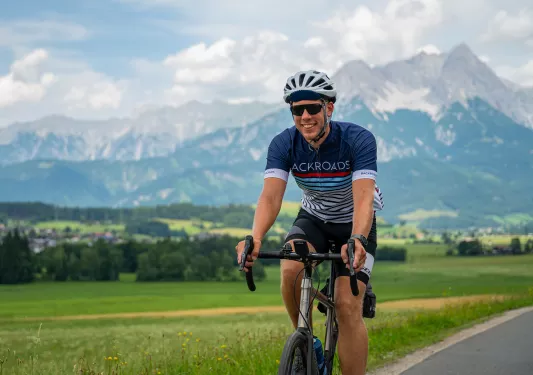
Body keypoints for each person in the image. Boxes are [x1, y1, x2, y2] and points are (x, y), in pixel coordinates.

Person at [235, 69, 384, 375]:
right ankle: (305, 341)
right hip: (314, 218)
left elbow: (364, 198)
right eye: (296, 110)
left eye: (312, 108)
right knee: (290, 268)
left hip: (354, 222)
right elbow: (270, 197)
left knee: (346, 306)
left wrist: (357, 237)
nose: (305, 116)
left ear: (328, 108)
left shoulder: (357, 140)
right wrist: (256, 237)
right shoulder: (284, 143)